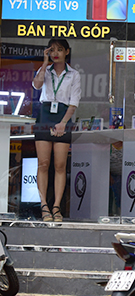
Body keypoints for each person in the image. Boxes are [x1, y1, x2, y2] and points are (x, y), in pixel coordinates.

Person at [32, 38, 81, 222]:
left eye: (60, 50)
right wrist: (44, 64)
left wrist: (63, 123)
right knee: (43, 164)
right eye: (52, 50)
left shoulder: (74, 74)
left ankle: (56, 207)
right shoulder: (45, 70)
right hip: (45, 114)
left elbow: (74, 102)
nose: (55, 53)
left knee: (60, 165)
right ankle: (44, 205)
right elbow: (36, 85)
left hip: (63, 115)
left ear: (67, 52)